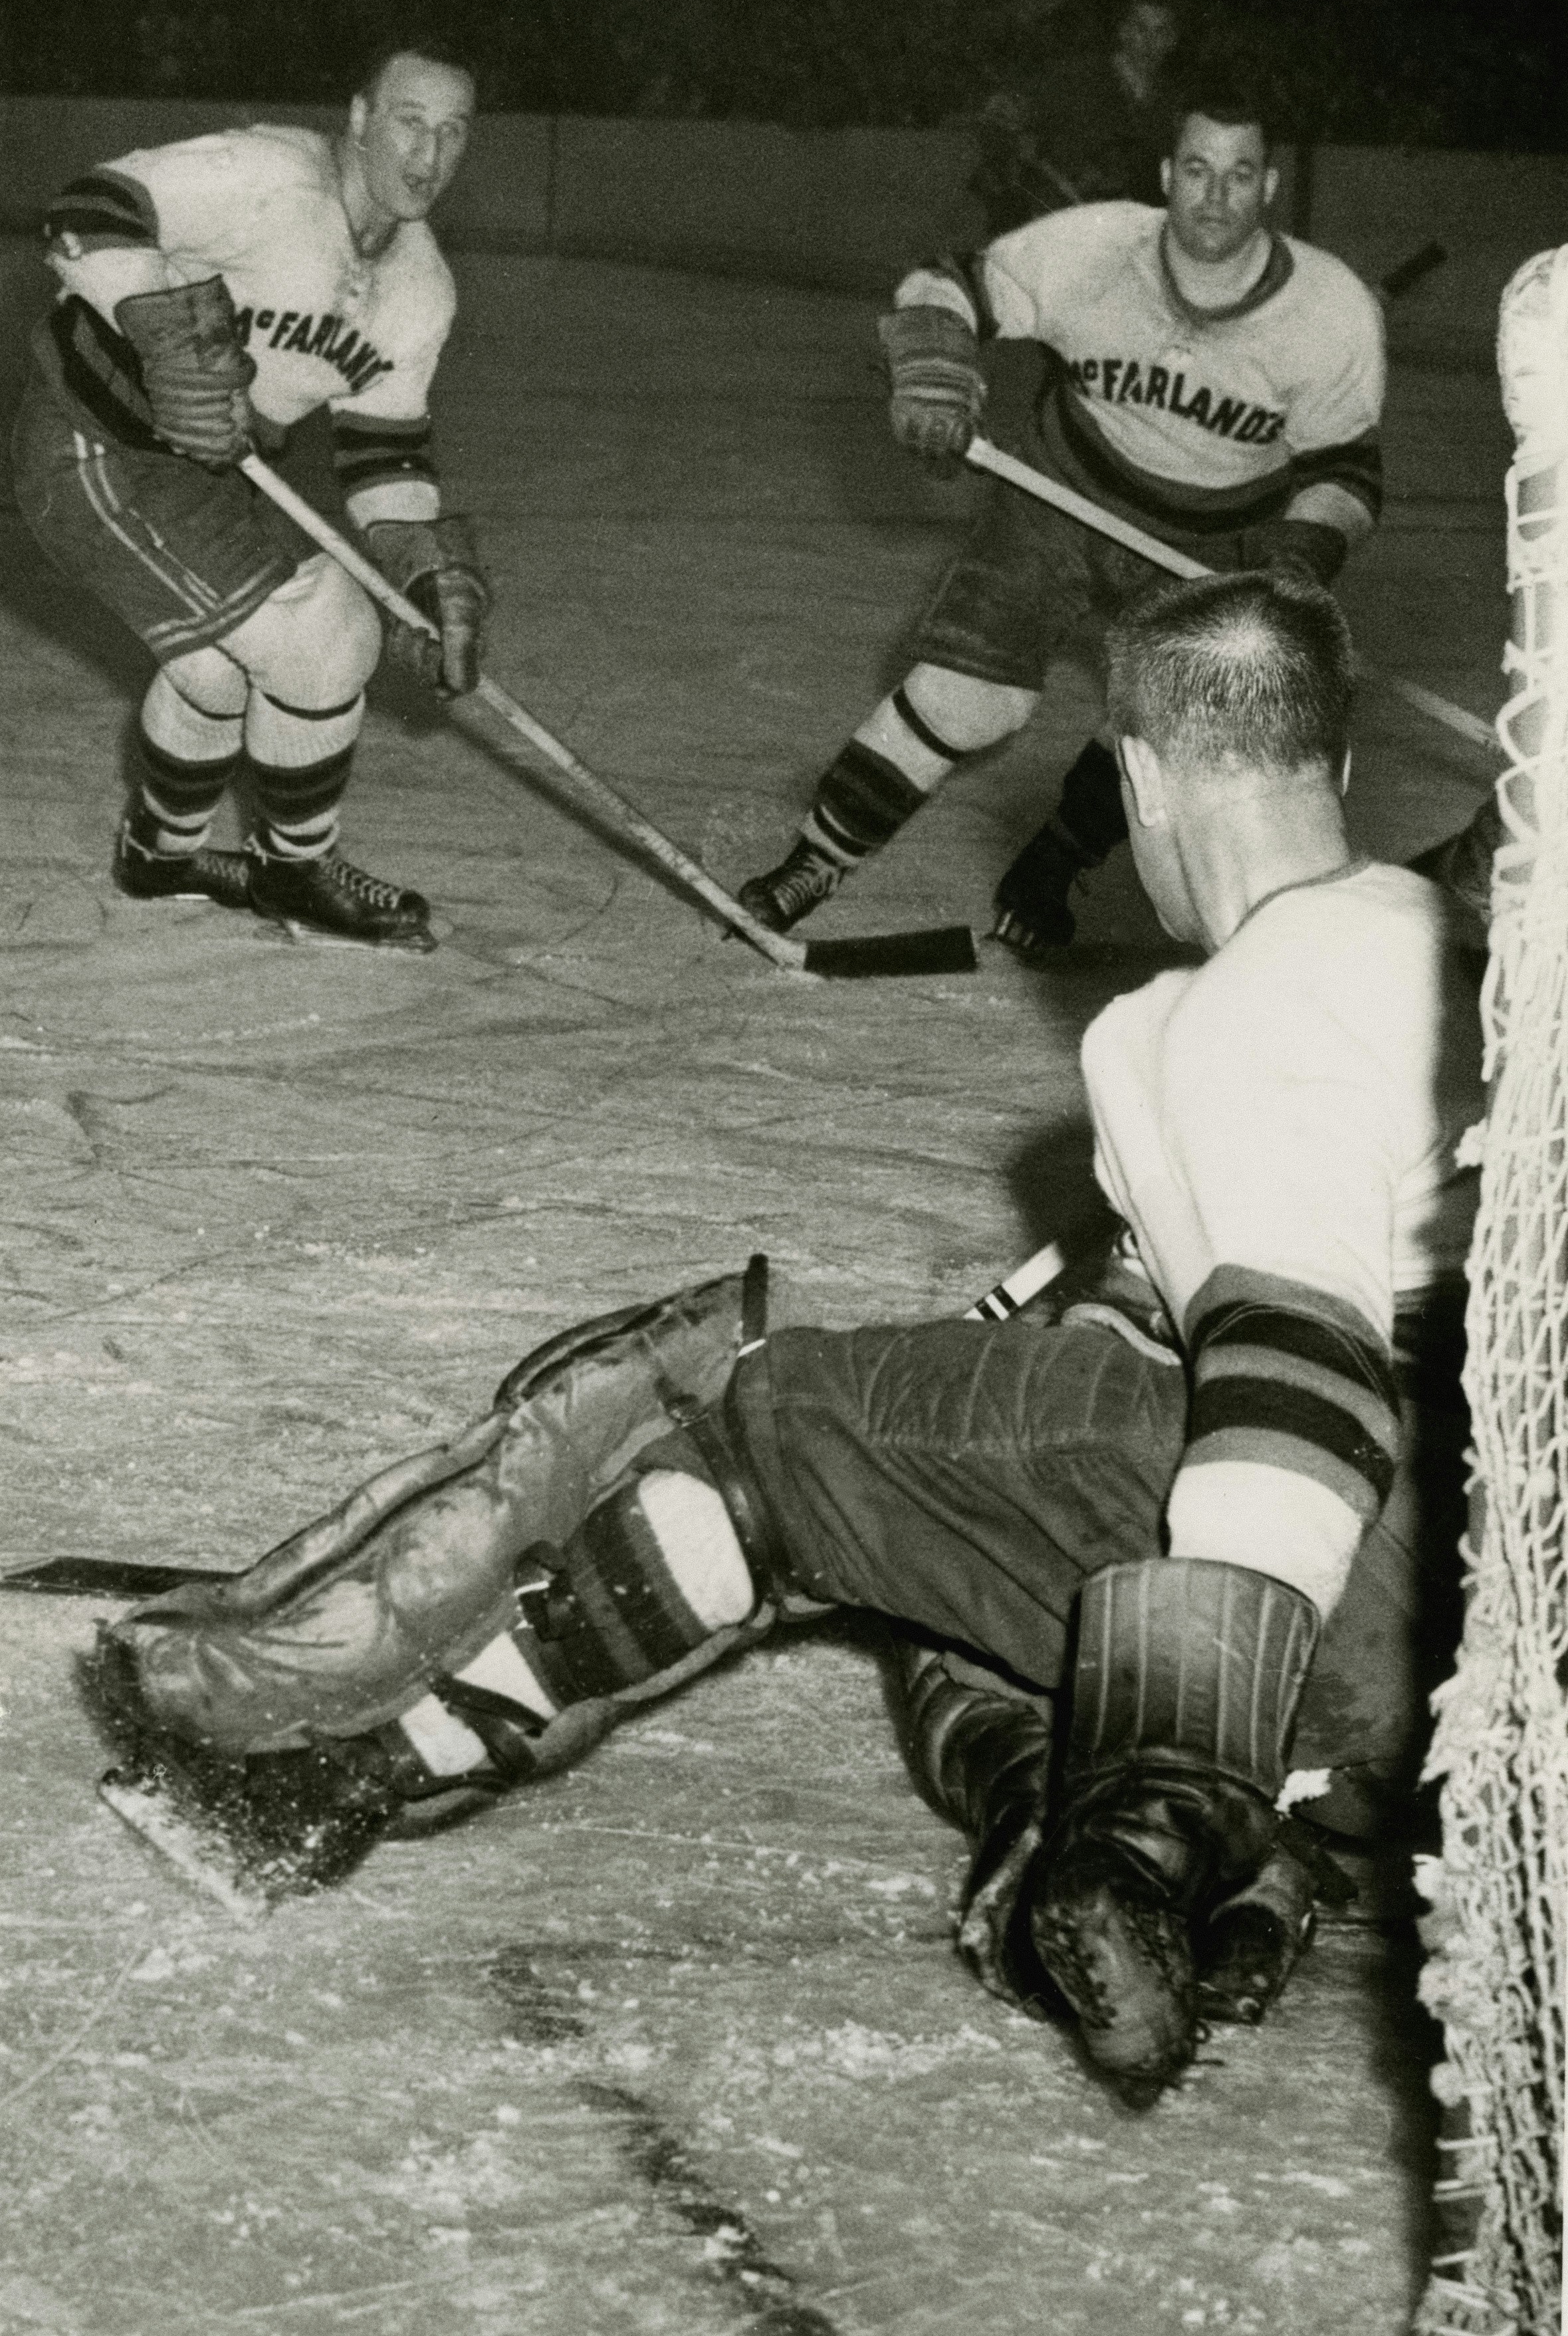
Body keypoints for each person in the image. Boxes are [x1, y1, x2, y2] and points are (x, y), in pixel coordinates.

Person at [88, 571, 1480, 2105]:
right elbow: (1188, 1305)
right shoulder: (1438, 939)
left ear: (1137, 773)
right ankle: (1180, 1875)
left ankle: (311, 1780)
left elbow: (1300, 1373)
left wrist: (1176, 1784)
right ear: (1336, 768)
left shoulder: (1221, 1024)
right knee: (940, 1571)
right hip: (1479, 1632)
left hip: (1366, 1576)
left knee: (749, 1418)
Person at [734, 60, 1386, 959]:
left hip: (1214, 536)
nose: (1214, 194)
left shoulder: (1329, 310)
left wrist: (1302, 554)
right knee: (967, 702)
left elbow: (1346, 469)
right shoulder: (1095, 247)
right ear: (1165, 175)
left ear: (1269, 185)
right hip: (1058, 495)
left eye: (1239, 174)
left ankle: (1047, 865)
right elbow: (945, 283)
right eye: (1196, 169)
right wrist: (932, 362)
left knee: (1162, 740)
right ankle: (815, 860)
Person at [10, 34, 489, 951]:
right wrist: (153, 321)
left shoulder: (421, 288)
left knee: (221, 664)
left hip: (199, 477)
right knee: (324, 634)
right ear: (357, 119)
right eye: (407, 122)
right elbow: (86, 205)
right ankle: (295, 869)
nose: (426, 157)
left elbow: (383, 457)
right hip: (91, 447)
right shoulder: (267, 175)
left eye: (453, 133)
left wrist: (421, 570)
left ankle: (162, 853)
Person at [969, 0, 1181, 234]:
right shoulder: (1078, 80)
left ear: (1172, 40)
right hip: (1066, 221)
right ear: (1123, 32)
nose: (1149, 43)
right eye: (1141, 30)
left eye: (1161, 32)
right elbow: (1010, 113)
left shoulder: (1171, 102)